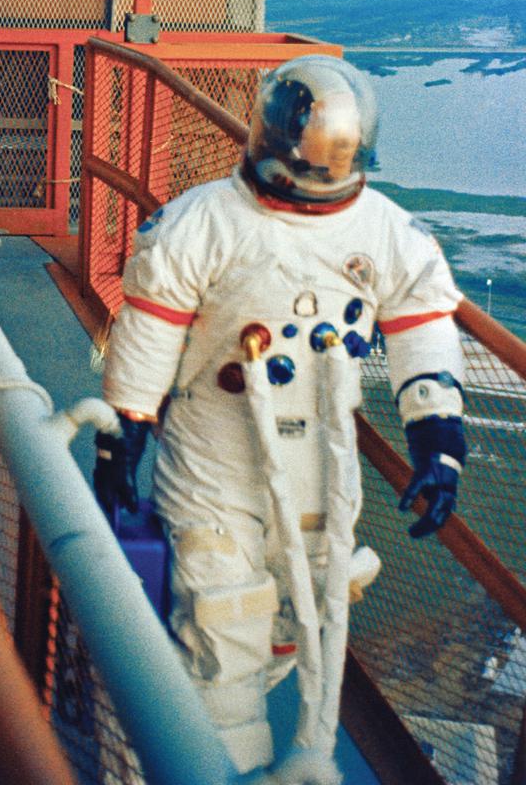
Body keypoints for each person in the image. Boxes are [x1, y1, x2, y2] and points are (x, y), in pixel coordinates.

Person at [93, 55, 466, 781]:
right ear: (275, 135)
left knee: (303, 617)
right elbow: (149, 337)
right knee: (222, 621)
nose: (314, 171)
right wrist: (123, 437)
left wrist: (439, 440)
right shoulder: (202, 223)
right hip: (214, 460)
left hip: (320, 471)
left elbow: (425, 334)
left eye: (333, 157)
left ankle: (203, 741)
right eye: (307, 152)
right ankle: (208, 759)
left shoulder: (389, 236)